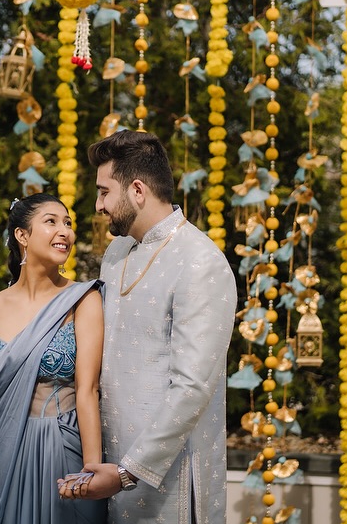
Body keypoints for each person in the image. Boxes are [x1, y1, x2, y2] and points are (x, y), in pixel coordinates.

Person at [59, 130, 236, 523]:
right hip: (108, 468)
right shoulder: (117, 252)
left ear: (137, 190)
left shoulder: (199, 261)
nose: (98, 205)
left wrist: (128, 472)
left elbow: (192, 386)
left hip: (165, 478)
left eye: (104, 192)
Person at [0, 193, 107, 524]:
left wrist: (92, 471)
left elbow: (88, 392)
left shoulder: (83, 301)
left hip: (59, 449)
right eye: (52, 222)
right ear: (22, 235)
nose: (65, 231)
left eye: (68, 223)